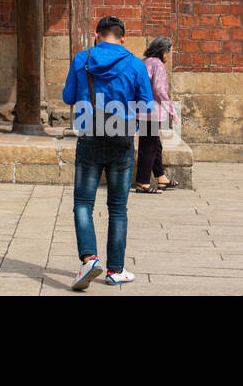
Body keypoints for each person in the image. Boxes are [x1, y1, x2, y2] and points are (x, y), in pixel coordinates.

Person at [62, 15, 154, 290]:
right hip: (122, 141)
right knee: (117, 209)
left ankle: (89, 258)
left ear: (97, 34)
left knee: (82, 204)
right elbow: (147, 107)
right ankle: (115, 270)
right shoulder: (136, 64)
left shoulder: (82, 59)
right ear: (123, 37)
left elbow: (68, 97)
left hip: (89, 135)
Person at [136, 37, 178, 192]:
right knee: (149, 147)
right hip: (152, 112)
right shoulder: (158, 64)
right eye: (168, 52)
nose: (168, 56)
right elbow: (160, 89)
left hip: (142, 110)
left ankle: (161, 177)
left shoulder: (144, 62)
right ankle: (142, 182)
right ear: (163, 52)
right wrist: (171, 109)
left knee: (155, 144)